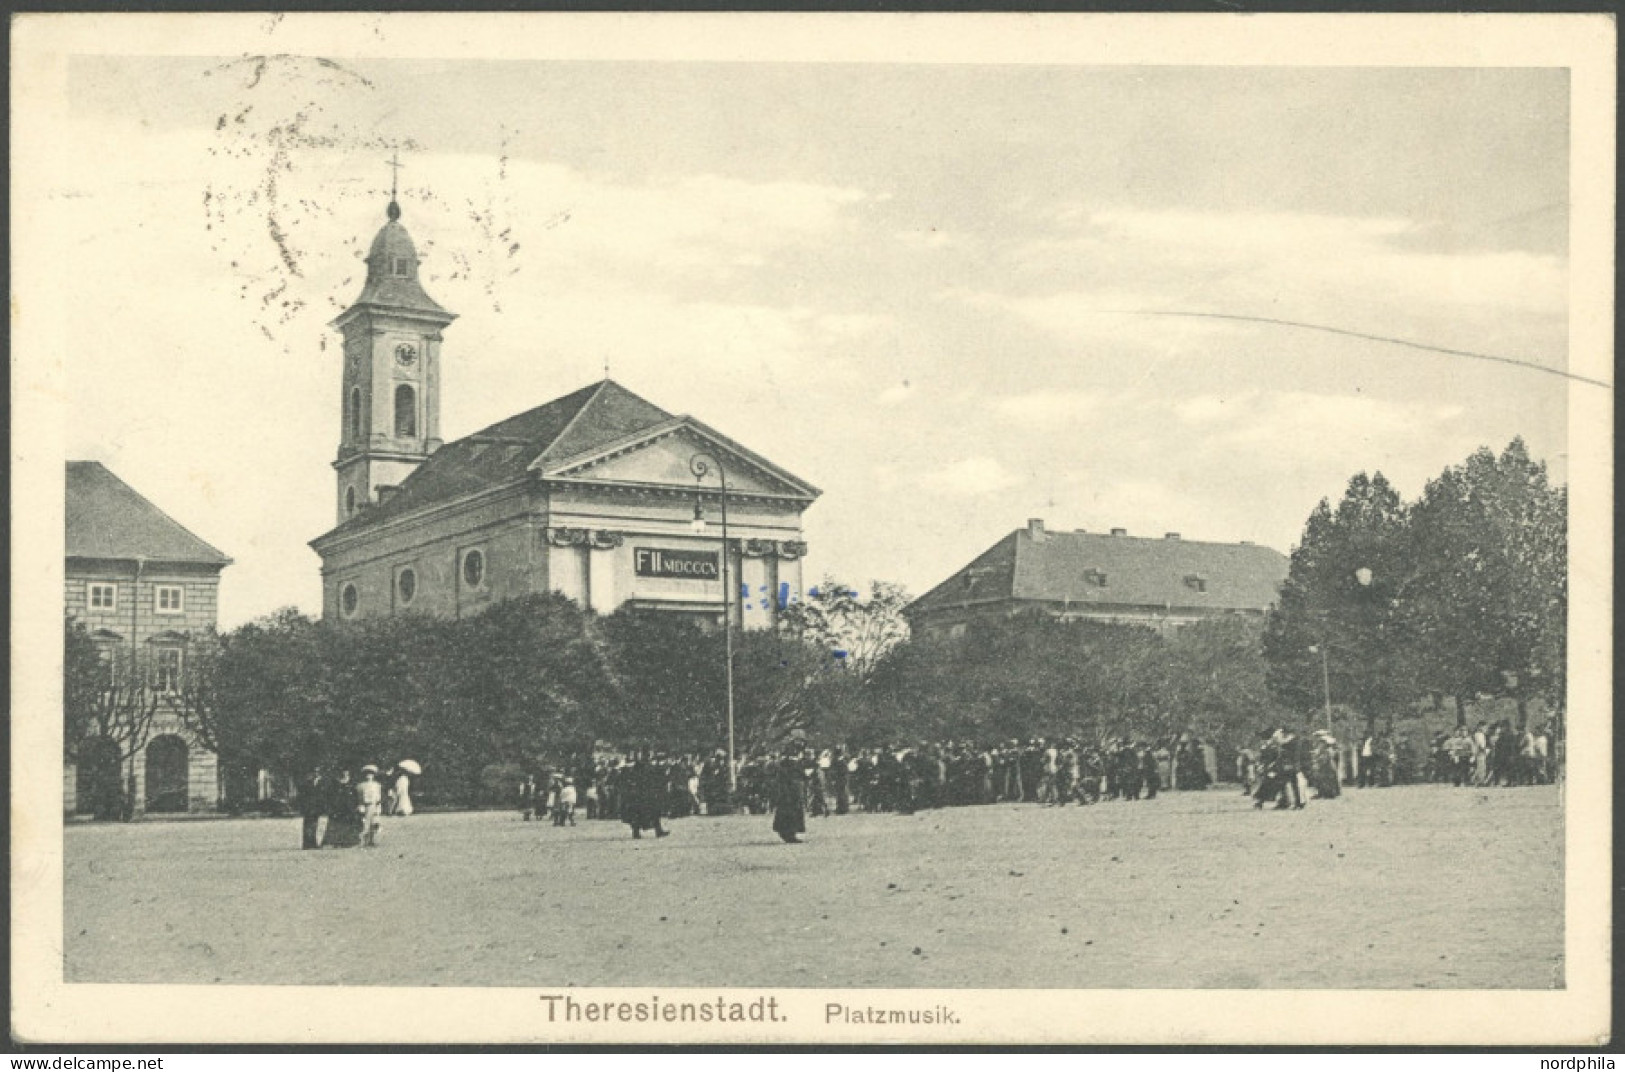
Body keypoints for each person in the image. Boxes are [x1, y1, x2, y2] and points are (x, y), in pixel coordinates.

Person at [621, 751, 669, 839]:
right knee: (653, 812)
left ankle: (637, 833)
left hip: (638, 795)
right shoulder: (648, 767)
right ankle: (657, 831)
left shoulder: (637, 767)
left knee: (638, 814)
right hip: (646, 795)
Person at [770, 756, 808, 843]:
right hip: (790, 797)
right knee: (791, 816)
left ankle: (788, 834)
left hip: (787, 797)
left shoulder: (783, 773)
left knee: (788, 815)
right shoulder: (790, 773)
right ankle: (790, 835)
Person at [324, 769, 361, 848]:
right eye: (344, 773)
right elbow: (332, 796)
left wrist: (356, 805)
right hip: (339, 807)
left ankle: (349, 842)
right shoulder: (336, 784)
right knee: (338, 825)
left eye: (347, 773)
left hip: (349, 808)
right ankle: (337, 842)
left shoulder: (352, 784)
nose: (345, 775)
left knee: (348, 824)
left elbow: (356, 796)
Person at [297, 767, 327, 849]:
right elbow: (302, 796)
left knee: (314, 825)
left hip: (316, 807)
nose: (316, 773)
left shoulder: (321, 782)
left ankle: (313, 843)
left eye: (318, 772)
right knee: (307, 825)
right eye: (315, 772)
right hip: (308, 807)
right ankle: (306, 844)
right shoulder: (307, 782)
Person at [357, 765, 384, 847]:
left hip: (374, 805)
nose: (369, 776)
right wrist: (360, 806)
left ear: (374, 775)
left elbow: (379, 797)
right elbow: (359, 798)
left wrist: (378, 806)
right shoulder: (360, 785)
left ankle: (372, 840)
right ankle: (363, 841)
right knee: (365, 823)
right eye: (367, 774)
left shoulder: (377, 785)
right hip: (365, 805)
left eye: (371, 774)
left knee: (374, 823)